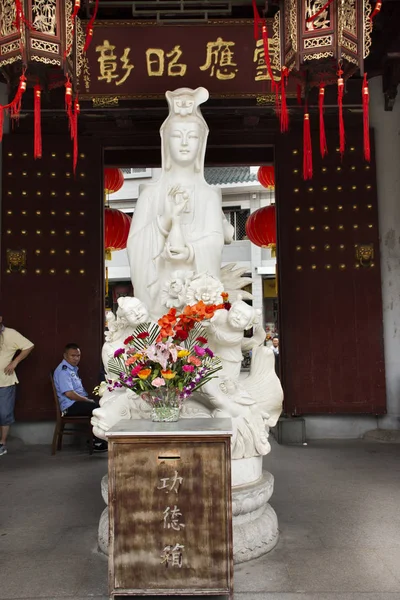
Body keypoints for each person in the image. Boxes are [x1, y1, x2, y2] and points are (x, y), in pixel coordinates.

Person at [127, 87, 233, 319]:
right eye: (177, 136)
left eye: (192, 136)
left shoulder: (208, 195)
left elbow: (215, 242)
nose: (185, 143)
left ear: (201, 144)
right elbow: (135, 246)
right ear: (165, 142)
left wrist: (191, 251)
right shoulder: (151, 194)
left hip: (196, 301)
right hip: (158, 305)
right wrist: (165, 220)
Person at [53, 343, 107, 452]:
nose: (76, 358)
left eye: (78, 356)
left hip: (76, 403)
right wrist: (87, 400)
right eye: (72, 356)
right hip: (70, 406)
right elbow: (69, 394)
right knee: (97, 408)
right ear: (65, 356)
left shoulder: (72, 369)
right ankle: (97, 442)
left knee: (100, 405)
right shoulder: (64, 371)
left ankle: (95, 439)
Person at [0, 314, 34, 456]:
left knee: (4, 414)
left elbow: (29, 346)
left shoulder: (10, 334)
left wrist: (15, 362)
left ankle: (2, 443)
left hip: (5, 381)